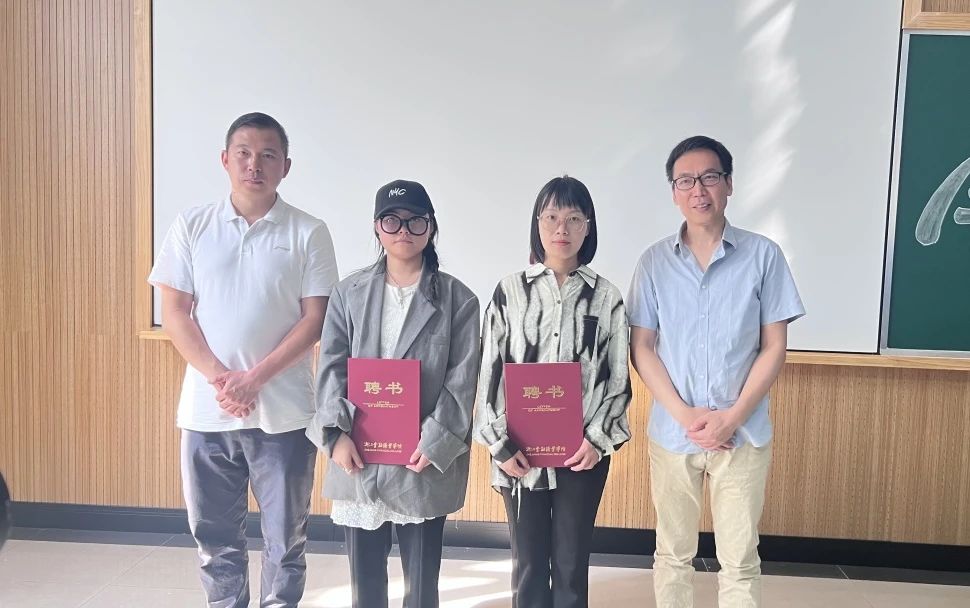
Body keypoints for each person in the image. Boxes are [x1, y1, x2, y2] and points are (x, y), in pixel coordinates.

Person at [148, 112, 339, 608]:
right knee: (214, 539)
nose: (255, 164)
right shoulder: (192, 225)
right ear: (225, 160)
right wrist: (224, 380)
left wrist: (254, 379)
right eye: (245, 153)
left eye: (268, 155)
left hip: (284, 413)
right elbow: (174, 312)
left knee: (286, 539)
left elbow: (315, 319)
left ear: (286, 166)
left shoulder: (308, 231)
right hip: (207, 413)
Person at [627, 135, 805, 607]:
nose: (698, 190)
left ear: (728, 184)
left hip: (742, 435)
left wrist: (732, 417)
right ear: (674, 192)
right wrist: (686, 415)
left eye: (709, 177)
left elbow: (774, 346)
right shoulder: (654, 262)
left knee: (740, 560)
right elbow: (642, 347)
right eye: (685, 180)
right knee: (672, 555)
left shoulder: (763, 255)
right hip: (674, 433)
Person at [307, 179, 480, 608]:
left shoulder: (459, 299)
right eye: (392, 220)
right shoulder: (348, 294)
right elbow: (330, 367)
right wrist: (335, 436)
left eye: (416, 221)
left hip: (422, 460)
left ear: (431, 227)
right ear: (376, 227)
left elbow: (462, 381)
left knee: (421, 586)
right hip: (359, 455)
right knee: (365, 584)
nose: (404, 230)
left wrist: (435, 441)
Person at [473, 176, 632, 608]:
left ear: (588, 227)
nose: (562, 228)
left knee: (571, 564)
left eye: (574, 218)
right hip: (518, 454)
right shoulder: (509, 292)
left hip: (582, 455)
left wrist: (596, 441)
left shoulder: (607, 298)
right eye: (552, 217)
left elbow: (618, 380)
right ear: (537, 224)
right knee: (527, 566)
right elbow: (489, 376)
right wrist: (500, 445)